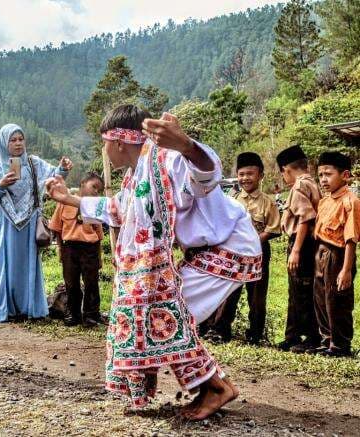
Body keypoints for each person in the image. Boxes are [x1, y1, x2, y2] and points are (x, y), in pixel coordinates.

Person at [46, 105, 261, 420]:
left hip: (230, 247)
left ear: (119, 141)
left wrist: (186, 145)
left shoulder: (168, 159)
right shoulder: (137, 177)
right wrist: (71, 200)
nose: (104, 151)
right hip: (208, 250)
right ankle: (210, 385)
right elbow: (121, 208)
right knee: (156, 313)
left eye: (104, 143)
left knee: (159, 310)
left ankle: (216, 386)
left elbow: (206, 175)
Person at [0, 123, 72, 322]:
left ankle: (27, 306)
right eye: (13, 140)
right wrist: (1, 184)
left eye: (21, 139)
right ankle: (6, 308)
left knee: (25, 264)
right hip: (4, 223)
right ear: (5, 142)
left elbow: (54, 175)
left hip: (28, 224)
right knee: (5, 264)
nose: (18, 143)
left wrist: (63, 169)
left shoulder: (33, 163)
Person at [203, 152, 280, 344]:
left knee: (257, 296)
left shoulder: (268, 202)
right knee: (229, 291)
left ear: (261, 175)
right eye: (242, 174)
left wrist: (253, 241)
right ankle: (220, 330)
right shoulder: (232, 199)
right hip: (234, 254)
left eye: (250, 174)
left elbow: (273, 229)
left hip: (259, 253)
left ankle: (255, 334)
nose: (245, 178)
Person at [310, 151, 359, 357]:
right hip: (321, 253)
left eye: (328, 174)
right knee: (320, 298)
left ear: (345, 175)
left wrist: (346, 269)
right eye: (320, 175)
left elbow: (351, 239)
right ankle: (327, 339)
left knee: (337, 300)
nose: (323, 180)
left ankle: (340, 344)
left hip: (338, 256)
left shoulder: (351, 201)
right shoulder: (325, 201)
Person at [276, 145, 321, 353]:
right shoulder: (312, 182)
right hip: (305, 244)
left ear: (286, 169)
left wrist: (295, 249)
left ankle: (310, 337)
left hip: (301, 243)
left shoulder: (299, 185)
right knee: (296, 290)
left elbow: (306, 217)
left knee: (302, 290)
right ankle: (292, 335)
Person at [48, 172, 105, 328]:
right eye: (93, 186)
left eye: (99, 190)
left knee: (91, 282)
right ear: (82, 184)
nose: (96, 192)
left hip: (90, 248)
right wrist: (60, 249)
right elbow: (57, 228)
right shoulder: (64, 202)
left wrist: (99, 257)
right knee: (71, 282)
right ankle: (73, 313)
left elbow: (99, 234)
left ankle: (91, 315)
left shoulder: (94, 207)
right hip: (69, 247)